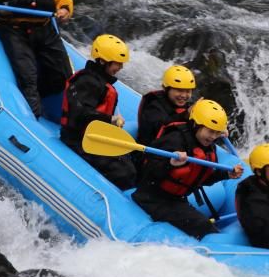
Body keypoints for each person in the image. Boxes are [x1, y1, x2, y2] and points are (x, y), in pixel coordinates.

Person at [132, 99, 244, 239]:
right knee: (205, 229)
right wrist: (170, 164)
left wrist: (226, 174)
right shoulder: (174, 140)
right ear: (196, 125)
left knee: (207, 227)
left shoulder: (207, 146)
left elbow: (201, 178)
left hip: (176, 199)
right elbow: (147, 170)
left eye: (217, 133)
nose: (213, 137)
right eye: (210, 131)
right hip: (152, 198)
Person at [60, 34, 137, 190]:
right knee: (125, 173)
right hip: (77, 139)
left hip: (94, 138)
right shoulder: (87, 81)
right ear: (103, 61)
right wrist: (110, 120)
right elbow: (80, 114)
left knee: (131, 162)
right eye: (117, 63)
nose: (120, 68)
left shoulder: (101, 81)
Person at [136, 64, 196, 146]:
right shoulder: (154, 106)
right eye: (179, 90)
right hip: (150, 152)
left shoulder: (184, 106)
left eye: (188, 91)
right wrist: (185, 115)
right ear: (166, 89)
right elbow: (161, 126)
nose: (184, 95)